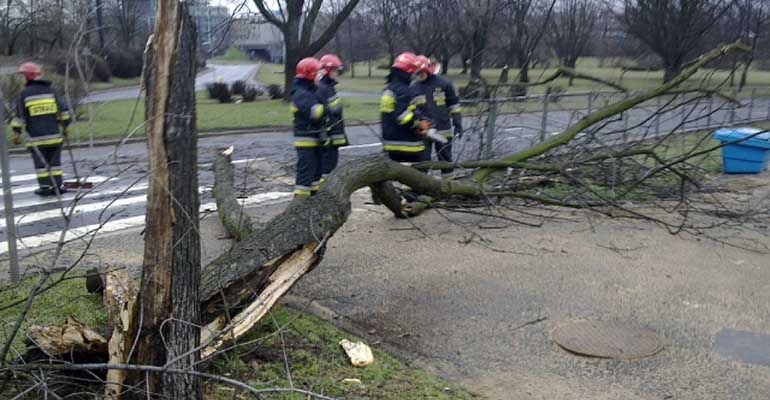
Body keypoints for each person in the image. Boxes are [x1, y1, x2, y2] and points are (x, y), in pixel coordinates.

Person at [11, 62, 71, 196]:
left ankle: (45, 187)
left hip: (36, 139)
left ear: (28, 76)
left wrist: (17, 133)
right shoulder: (52, 92)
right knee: (55, 164)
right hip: (54, 137)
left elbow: (19, 117)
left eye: (23, 75)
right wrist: (65, 126)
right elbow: (64, 112)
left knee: (41, 165)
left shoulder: (24, 94)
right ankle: (57, 186)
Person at [412, 55, 463, 175]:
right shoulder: (414, 88)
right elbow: (412, 110)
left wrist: (457, 123)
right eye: (418, 72)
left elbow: (454, 105)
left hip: (443, 129)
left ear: (428, 69)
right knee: (422, 162)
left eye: (422, 72)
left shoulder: (444, 84)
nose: (421, 75)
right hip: (424, 130)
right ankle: (421, 188)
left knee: (445, 161)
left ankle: (449, 186)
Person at [380, 52, 431, 163]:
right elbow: (402, 118)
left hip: (391, 143)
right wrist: (418, 118)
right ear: (408, 71)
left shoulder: (390, 89)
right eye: (414, 71)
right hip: (408, 144)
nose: (415, 75)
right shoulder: (405, 91)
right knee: (415, 177)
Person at [290, 57, 327, 197]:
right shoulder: (301, 94)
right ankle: (299, 205)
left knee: (316, 173)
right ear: (310, 75)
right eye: (318, 74)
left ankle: (314, 201)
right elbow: (315, 113)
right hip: (306, 140)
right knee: (306, 174)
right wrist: (326, 108)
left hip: (314, 138)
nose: (320, 77)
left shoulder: (309, 91)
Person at [317, 54, 347, 181]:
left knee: (330, 167)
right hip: (328, 139)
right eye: (335, 70)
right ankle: (324, 194)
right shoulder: (323, 89)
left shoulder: (328, 88)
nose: (337, 73)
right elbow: (324, 115)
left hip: (332, 139)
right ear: (327, 71)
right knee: (326, 169)